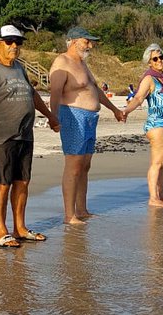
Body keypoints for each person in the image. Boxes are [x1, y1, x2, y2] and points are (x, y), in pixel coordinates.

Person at [0, 24, 58, 248]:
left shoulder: (19, 67)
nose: (14, 46)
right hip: (1, 136)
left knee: (22, 182)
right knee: (2, 183)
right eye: (9, 42)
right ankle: (1, 231)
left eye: (18, 42)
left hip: (24, 134)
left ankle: (20, 228)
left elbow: (32, 94)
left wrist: (50, 116)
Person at [49, 26, 126, 225]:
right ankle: (69, 215)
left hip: (91, 118)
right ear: (74, 41)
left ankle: (81, 210)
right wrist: (53, 117)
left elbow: (96, 90)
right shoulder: (62, 62)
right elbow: (55, 92)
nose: (90, 46)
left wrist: (114, 109)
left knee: (85, 165)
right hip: (72, 115)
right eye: (87, 41)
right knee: (74, 165)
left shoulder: (82, 63)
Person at [122, 44, 163, 207]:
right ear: (149, 62)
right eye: (155, 59)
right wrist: (126, 111)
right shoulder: (149, 79)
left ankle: (161, 194)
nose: (159, 61)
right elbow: (138, 98)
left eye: (161, 57)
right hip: (157, 124)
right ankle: (153, 198)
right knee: (157, 162)